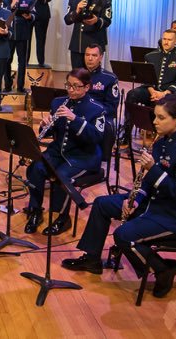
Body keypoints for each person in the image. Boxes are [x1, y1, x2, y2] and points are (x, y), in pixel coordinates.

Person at [61, 96, 176, 298]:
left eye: (161, 118)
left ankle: (163, 269)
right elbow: (147, 181)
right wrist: (136, 198)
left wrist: (153, 170)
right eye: (155, 116)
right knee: (102, 204)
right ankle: (92, 259)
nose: (155, 122)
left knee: (124, 235)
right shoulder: (162, 140)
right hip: (154, 203)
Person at [24, 68, 108, 236]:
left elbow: (96, 137)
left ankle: (62, 218)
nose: (71, 90)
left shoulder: (97, 109)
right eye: (68, 85)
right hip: (59, 150)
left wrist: (75, 119)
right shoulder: (58, 102)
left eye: (76, 86)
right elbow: (51, 133)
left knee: (62, 176)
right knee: (35, 168)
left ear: (87, 87)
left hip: (84, 156)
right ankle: (35, 210)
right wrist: (45, 124)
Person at [132, 30, 176, 107]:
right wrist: (153, 92)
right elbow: (146, 79)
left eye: (169, 40)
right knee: (133, 94)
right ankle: (130, 119)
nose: (166, 42)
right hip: (152, 90)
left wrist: (164, 93)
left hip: (173, 91)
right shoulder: (150, 56)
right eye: (164, 39)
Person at [64, 0, 112, 66]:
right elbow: (67, 20)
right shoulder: (74, 0)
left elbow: (107, 21)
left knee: (92, 78)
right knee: (77, 76)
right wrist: (77, 10)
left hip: (94, 44)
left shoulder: (104, 1)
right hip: (77, 44)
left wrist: (96, 20)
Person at [5, 0, 37, 92]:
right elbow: (3, 15)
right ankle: (7, 86)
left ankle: (20, 86)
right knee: (7, 60)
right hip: (9, 35)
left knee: (22, 61)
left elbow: (34, 14)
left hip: (23, 35)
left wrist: (30, 17)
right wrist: (11, 6)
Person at [79, 44, 122, 117]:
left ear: (101, 57)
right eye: (87, 55)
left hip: (98, 116)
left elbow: (111, 107)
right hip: (78, 113)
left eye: (94, 55)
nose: (90, 58)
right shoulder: (77, 75)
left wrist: (93, 113)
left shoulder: (110, 78)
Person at [25, 0, 53, 66]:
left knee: (41, 40)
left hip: (42, 15)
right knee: (26, 40)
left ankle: (41, 63)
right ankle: (25, 64)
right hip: (27, 15)